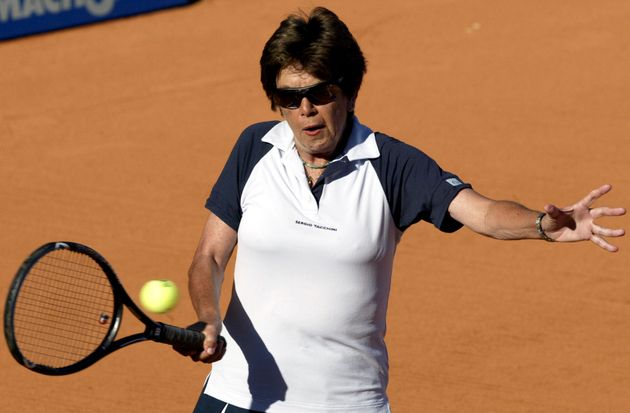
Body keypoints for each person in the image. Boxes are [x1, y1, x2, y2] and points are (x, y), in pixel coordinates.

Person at [176, 7, 626, 413]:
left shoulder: (393, 165)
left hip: (344, 404)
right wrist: (209, 317)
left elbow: (484, 213)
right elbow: (210, 256)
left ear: (349, 92)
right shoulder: (254, 148)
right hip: (237, 395)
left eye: (321, 92)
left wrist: (540, 225)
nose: (307, 110)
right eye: (291, 98)